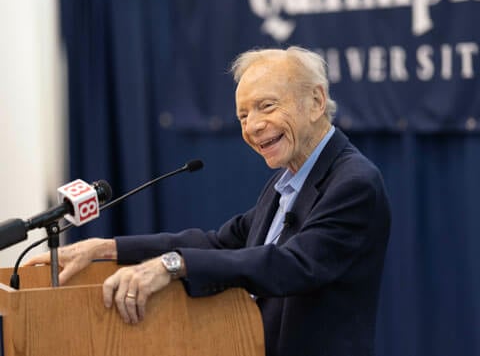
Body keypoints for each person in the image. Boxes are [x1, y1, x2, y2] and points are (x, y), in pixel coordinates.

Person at [26, 46, 391, 356]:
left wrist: (171, 265)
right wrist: (106, 248)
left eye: (266, 106)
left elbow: (290, 264)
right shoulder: (285, 182)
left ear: (315, 101)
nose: (252, 126)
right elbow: (219, 242)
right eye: (243, 116)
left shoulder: (353, 183)